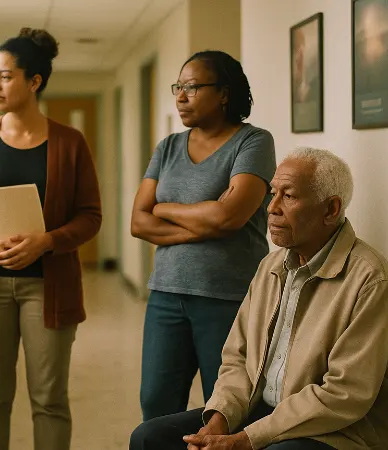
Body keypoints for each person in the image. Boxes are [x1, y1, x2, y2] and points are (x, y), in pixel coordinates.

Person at [130, 148, 388, 450]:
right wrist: (220, 420)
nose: (271, 208)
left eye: (289, 196)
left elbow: (344, 394)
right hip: (264, 412)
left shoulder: (369, 280)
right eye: (273, 194)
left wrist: (245, 440)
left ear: (330, 209)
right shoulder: (271, 266)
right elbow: (237, 357)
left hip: (338, 431)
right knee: (148, 437)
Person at [0, 28, 102, 450]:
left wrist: (46, 241)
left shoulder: (70, 142)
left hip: (48, 288)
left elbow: (90, 217)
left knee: (50, 401)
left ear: (34, 81)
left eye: (6, 76)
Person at [130, 50, 276, 421]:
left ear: (224, 93)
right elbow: (138, 222)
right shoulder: (167, 147)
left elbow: (229, 217)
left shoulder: (253, 142)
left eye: (192, 87)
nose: (180, 97)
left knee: (225, 409)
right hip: (165, 294)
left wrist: (164, 208)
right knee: (156, 404)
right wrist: (203, 222)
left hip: (227, 296)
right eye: (177, 87)